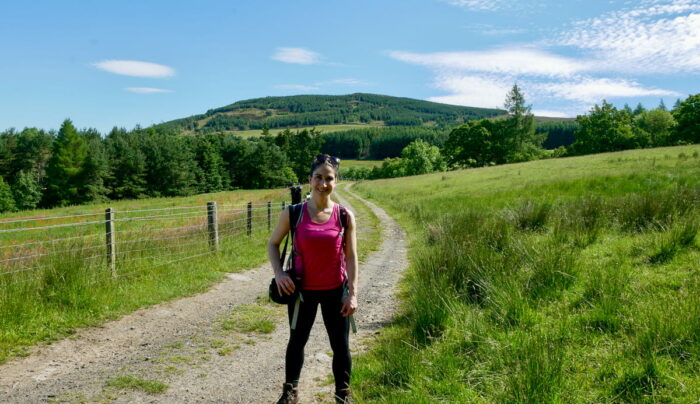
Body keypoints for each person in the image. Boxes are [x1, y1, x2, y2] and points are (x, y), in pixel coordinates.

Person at [267, 154, 358, 404]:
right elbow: (273, 244)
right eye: (318, 177)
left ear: (336, 181)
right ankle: (290, 392)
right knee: (297, 341)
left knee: (340, 345)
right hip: (301, 292)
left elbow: (351, 257)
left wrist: (353, 293)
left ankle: (343, 394)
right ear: (309, 180)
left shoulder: (344, 216)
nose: (323, 183)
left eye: (329, 178)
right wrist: (279, 273)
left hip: (335, 290)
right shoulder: (293, 213)